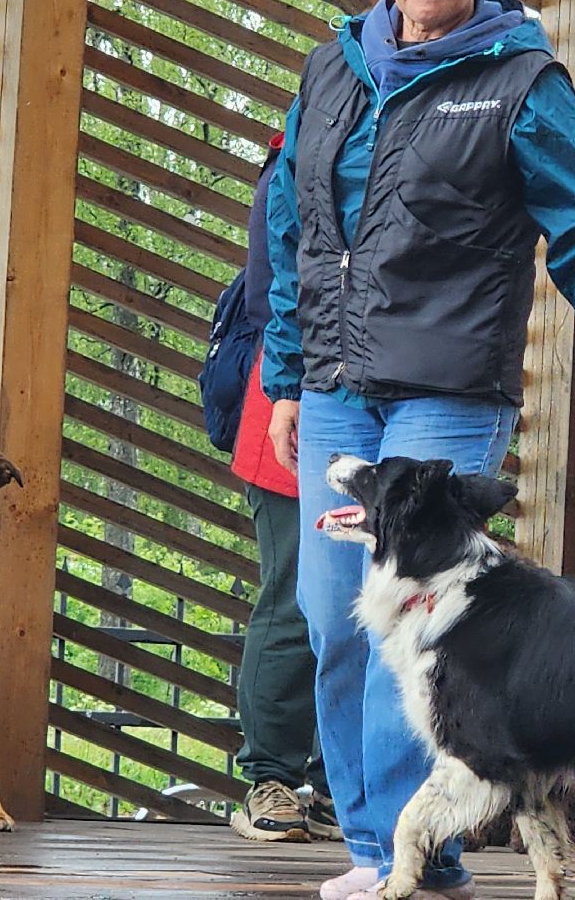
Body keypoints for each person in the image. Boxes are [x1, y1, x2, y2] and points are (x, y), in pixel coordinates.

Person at [261, 0, 575, 900]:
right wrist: (284, 377)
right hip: (338, 386)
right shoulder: (332, 68)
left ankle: (408, 852)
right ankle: (378, 845)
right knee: (330, 618)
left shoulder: (520, 79)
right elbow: (291, 230)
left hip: (446, 393)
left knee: (423, 623)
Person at [228, 139, 339, 845]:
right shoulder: (296, 159)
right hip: (294, 406)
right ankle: (270, 777)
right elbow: (280, 293)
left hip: (387, 403)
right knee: (295, 595)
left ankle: (340, 785)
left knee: (369, 610)